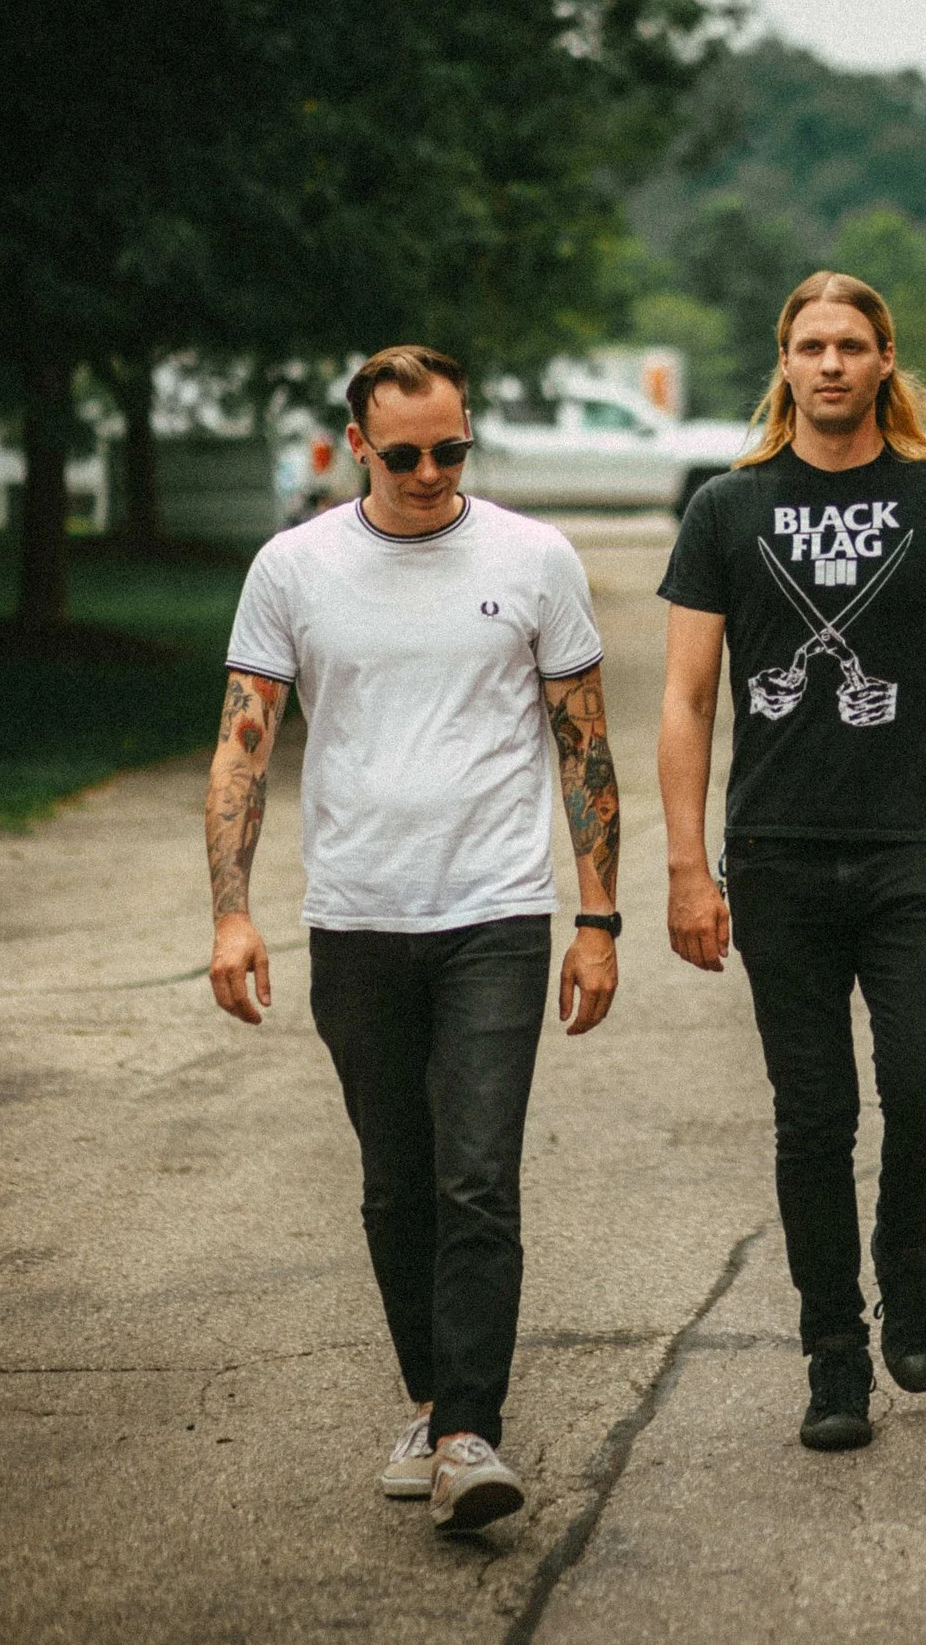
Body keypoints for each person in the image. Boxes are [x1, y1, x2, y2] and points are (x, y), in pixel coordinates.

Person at [206, 345, 622, 1531]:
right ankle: (434, 1398)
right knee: (398, 1186)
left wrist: (597, 914)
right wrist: (231, 908)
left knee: (477, 1173)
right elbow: (244, 742)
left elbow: (583, 742)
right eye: (406, 455)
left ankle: (465, 1432)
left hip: (495, 910)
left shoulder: (533, 558)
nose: (433, 471)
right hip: (357, 916)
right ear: (354, 449)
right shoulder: (293, 568)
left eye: (453, 448)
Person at [657, 271, 926, 1452]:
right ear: (784, 361)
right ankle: (833, 1352)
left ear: (884, 361)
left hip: (915, 843)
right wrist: (685, 868)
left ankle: (904, 1249)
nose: (830, 364)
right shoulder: (727, 509)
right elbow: (685, 695)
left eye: (852, 346)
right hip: (776, 852)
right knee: (811, 1116)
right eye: (810, 345)